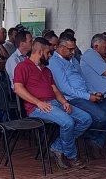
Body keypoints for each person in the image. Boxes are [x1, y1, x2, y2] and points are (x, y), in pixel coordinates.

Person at [14, 38, 91, 169]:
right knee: (68, 122)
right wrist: (38, 103)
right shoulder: (22, 66)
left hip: (55, 103)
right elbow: (18, 89)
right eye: (48, 53)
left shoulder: (46, 70)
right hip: (37, 107)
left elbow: (55, 89)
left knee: (86, 119)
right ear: (40, 51)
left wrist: (64, 101)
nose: (50, 55)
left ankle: (57, 147)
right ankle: (72, 157)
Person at [47, 35, 106, 158]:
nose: (73, 52)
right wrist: (88, 97)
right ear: (60, 47)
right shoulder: (54, 63)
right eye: (70, 49)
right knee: (101, 117)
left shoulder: (73, 60)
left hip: (86, 94)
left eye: (74, 49)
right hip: (72, 99)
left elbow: (84, 79)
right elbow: (65, 88)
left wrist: (93, 92)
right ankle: (89, 138)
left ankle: (97, 141)